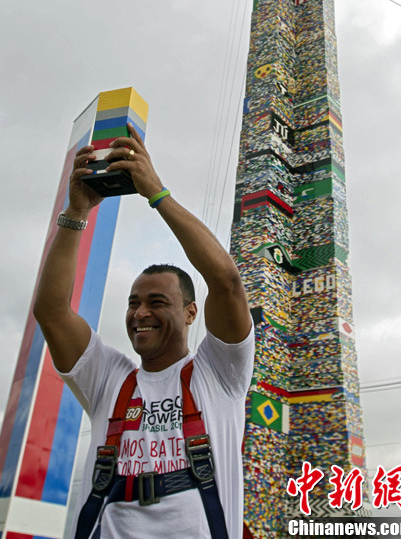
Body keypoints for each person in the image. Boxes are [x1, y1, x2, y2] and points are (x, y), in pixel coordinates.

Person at [33, 123, 254, 539]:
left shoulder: (220, 373)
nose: (140, 313)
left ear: (191, 313)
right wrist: (76, 212)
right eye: (133, 302)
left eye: (157, 302)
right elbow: (51, 313)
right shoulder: (109, 378)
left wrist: (156, 192)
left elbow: (225, 281)